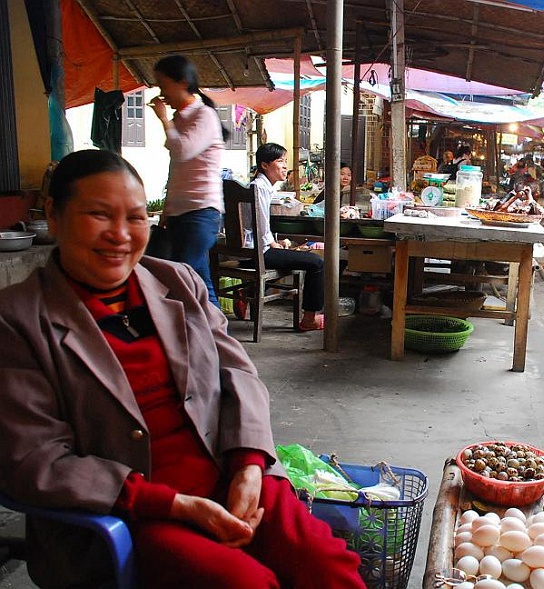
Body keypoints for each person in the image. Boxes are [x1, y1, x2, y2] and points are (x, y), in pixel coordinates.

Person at [0, 150, 365, 589]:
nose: (120, 235)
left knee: (328, 566)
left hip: (227, 474)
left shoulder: (179, 282)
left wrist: (249, 464)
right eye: (99, 215)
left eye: (136, 218)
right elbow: (37, 460)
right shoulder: (18, 319)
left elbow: (239, 374)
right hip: (132, 511)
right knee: (243, 583)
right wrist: (176, 505)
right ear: (54, 216)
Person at [149, 54, 225, 307]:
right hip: (182, 213)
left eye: (163, 85)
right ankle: (215, 337)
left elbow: (182, 150)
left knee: (181, 278)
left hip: (201, 212)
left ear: (182, 82)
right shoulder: (181, 118)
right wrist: (167, 211)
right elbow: (176, 169)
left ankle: (199, 336)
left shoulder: (204, 115)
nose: (161, 93)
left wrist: (163, 120)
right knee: (199, 281)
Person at [250, 143, 326, 331]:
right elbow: (259, 226)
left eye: (285, 161)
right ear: (264, 165)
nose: (285, 166)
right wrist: (273, 243)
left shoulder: (262, 186)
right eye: (280, 161)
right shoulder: (259, 187)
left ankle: (247, 293)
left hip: (253, 248)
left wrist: (276, 241)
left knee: (292, 252)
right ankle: (309, 319)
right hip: (258, 251)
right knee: (317, 263)